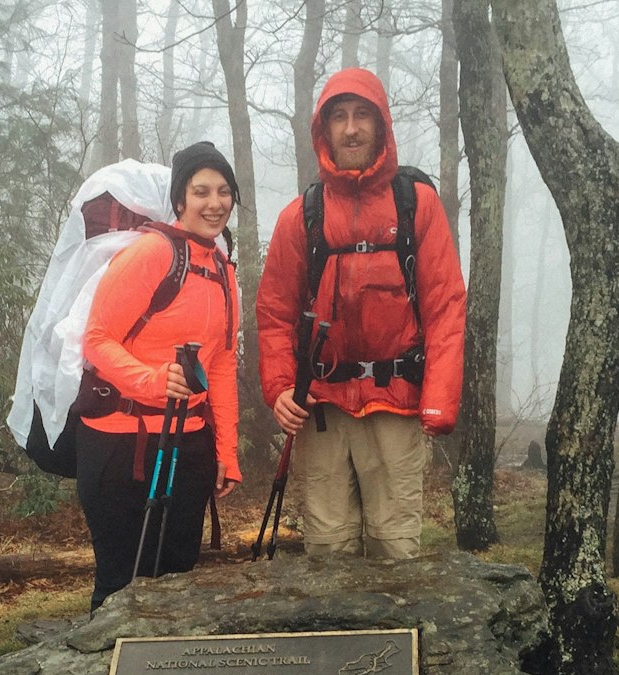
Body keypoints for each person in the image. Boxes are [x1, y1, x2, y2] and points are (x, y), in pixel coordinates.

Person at [256, 69, 466, 560]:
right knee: (327, 550)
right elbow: (274, 314)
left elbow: (446, 306)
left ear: (381, 124)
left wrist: (439, 401)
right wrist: (280, 387)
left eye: (362, 115)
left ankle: (395, 641)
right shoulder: (300, 216)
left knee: (395, 548)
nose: (351, 128)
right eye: (339, 117)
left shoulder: (417, 205)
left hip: (397, 405)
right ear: (324, 130)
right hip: (321, 408)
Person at [76, 143, 243, 609]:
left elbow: (223, 363)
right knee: (120, 585)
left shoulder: (224, 271)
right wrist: (152, 379)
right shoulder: (150, 254)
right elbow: (97, 339)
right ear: (179, 200)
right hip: (119, 446)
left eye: (224, 192)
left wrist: (225, 451)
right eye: (202, 191)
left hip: (188, 444)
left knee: (178, 581)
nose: (215, 203)